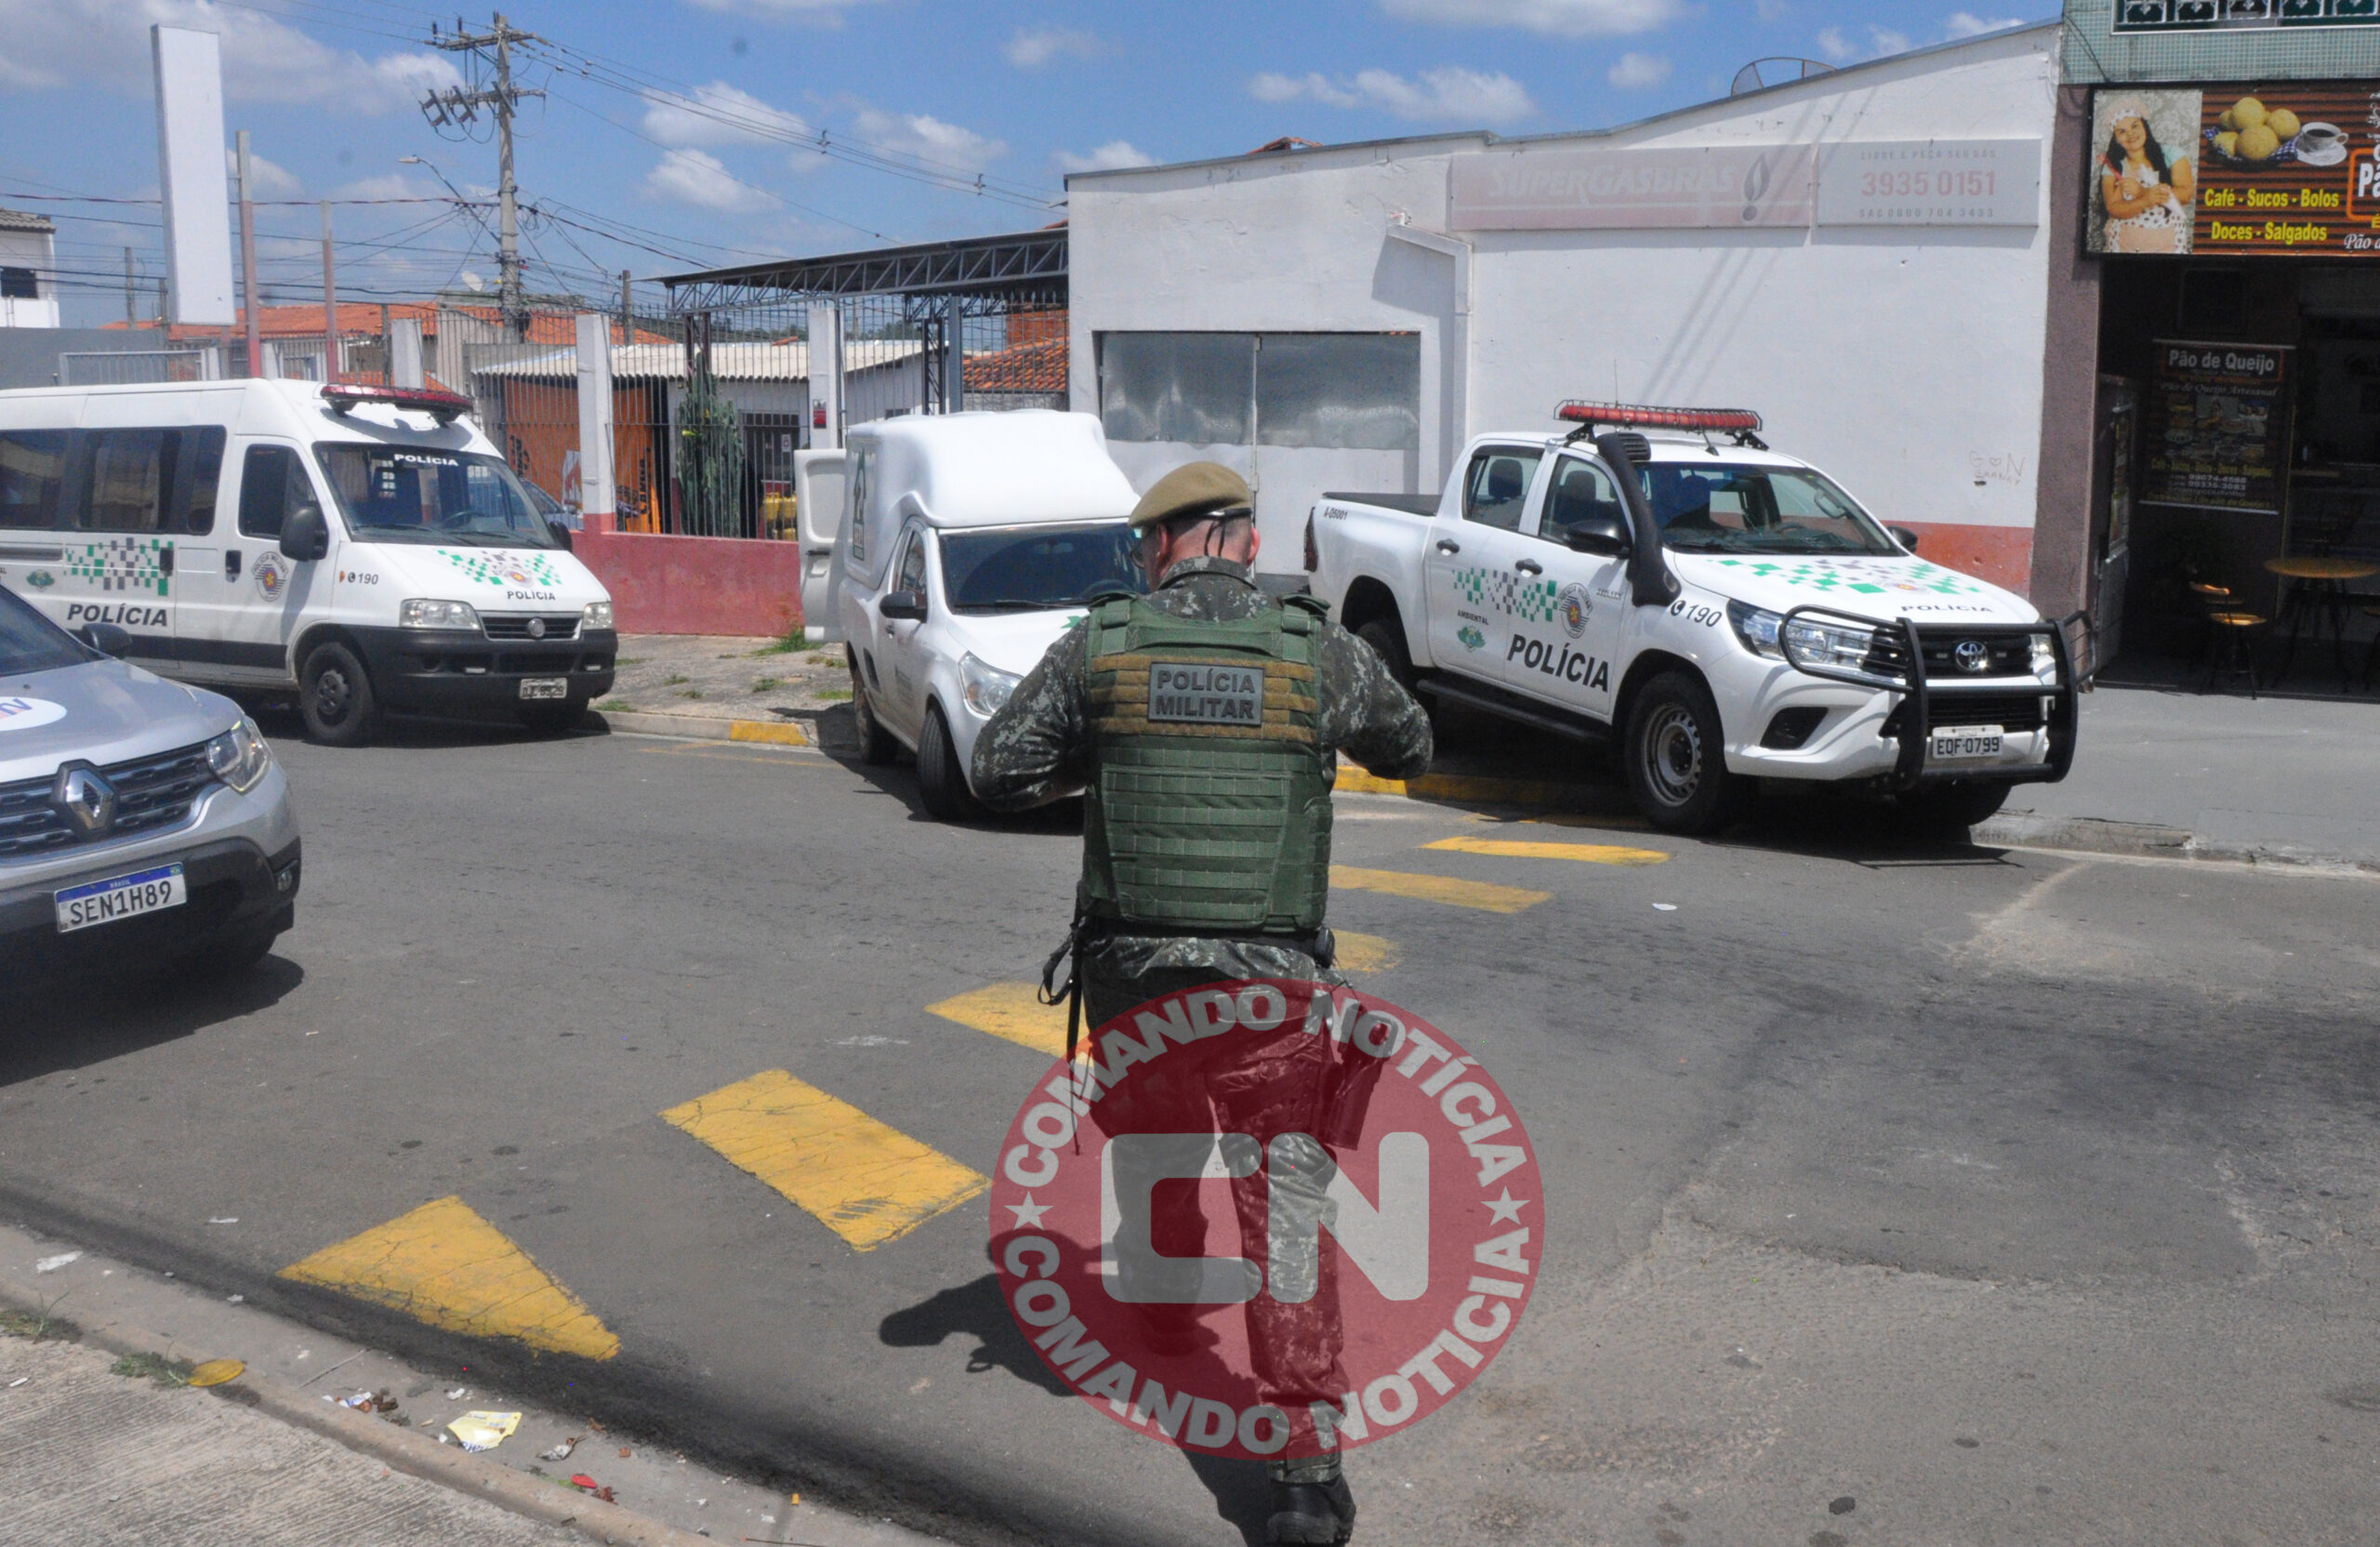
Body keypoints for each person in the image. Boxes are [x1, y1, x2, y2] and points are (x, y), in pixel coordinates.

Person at [972, 461, 1433, 1545]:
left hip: (1137, 971)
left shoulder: (1105, 644)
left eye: (1145, 544)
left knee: (1159, 1140)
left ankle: (1172, 1317)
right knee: (1283, 1212)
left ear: (1169, 543)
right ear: (1240, 537)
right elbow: (1409, 745)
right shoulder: (1311, 647)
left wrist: (1112, 748)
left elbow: (997, 768)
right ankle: (1306, 1478)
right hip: (1269, 983)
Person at [2098, 98, 2194, 255]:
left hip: (2168, 246)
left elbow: (2186, 195)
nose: (2130, 134)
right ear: (2115, 139)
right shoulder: (2114, 166)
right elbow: (2114, 209)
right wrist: (2146, 199)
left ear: (2145, 126)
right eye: (2121, 131)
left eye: (2135, 126)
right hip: (2125, 248)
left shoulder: (2171, 154)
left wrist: (2143, 191)